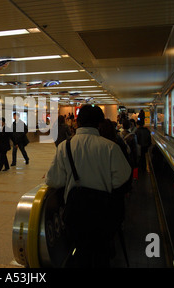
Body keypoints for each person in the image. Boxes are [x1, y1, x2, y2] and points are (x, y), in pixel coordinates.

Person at [45, 105, 131, 267]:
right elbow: (122, 180)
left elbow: (53, 180)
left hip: (75, 214)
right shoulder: (110, 147)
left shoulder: (65, 146)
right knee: (101, 253)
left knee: (80, 250)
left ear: (77, 122)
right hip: (104, 214)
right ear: (99, 123)